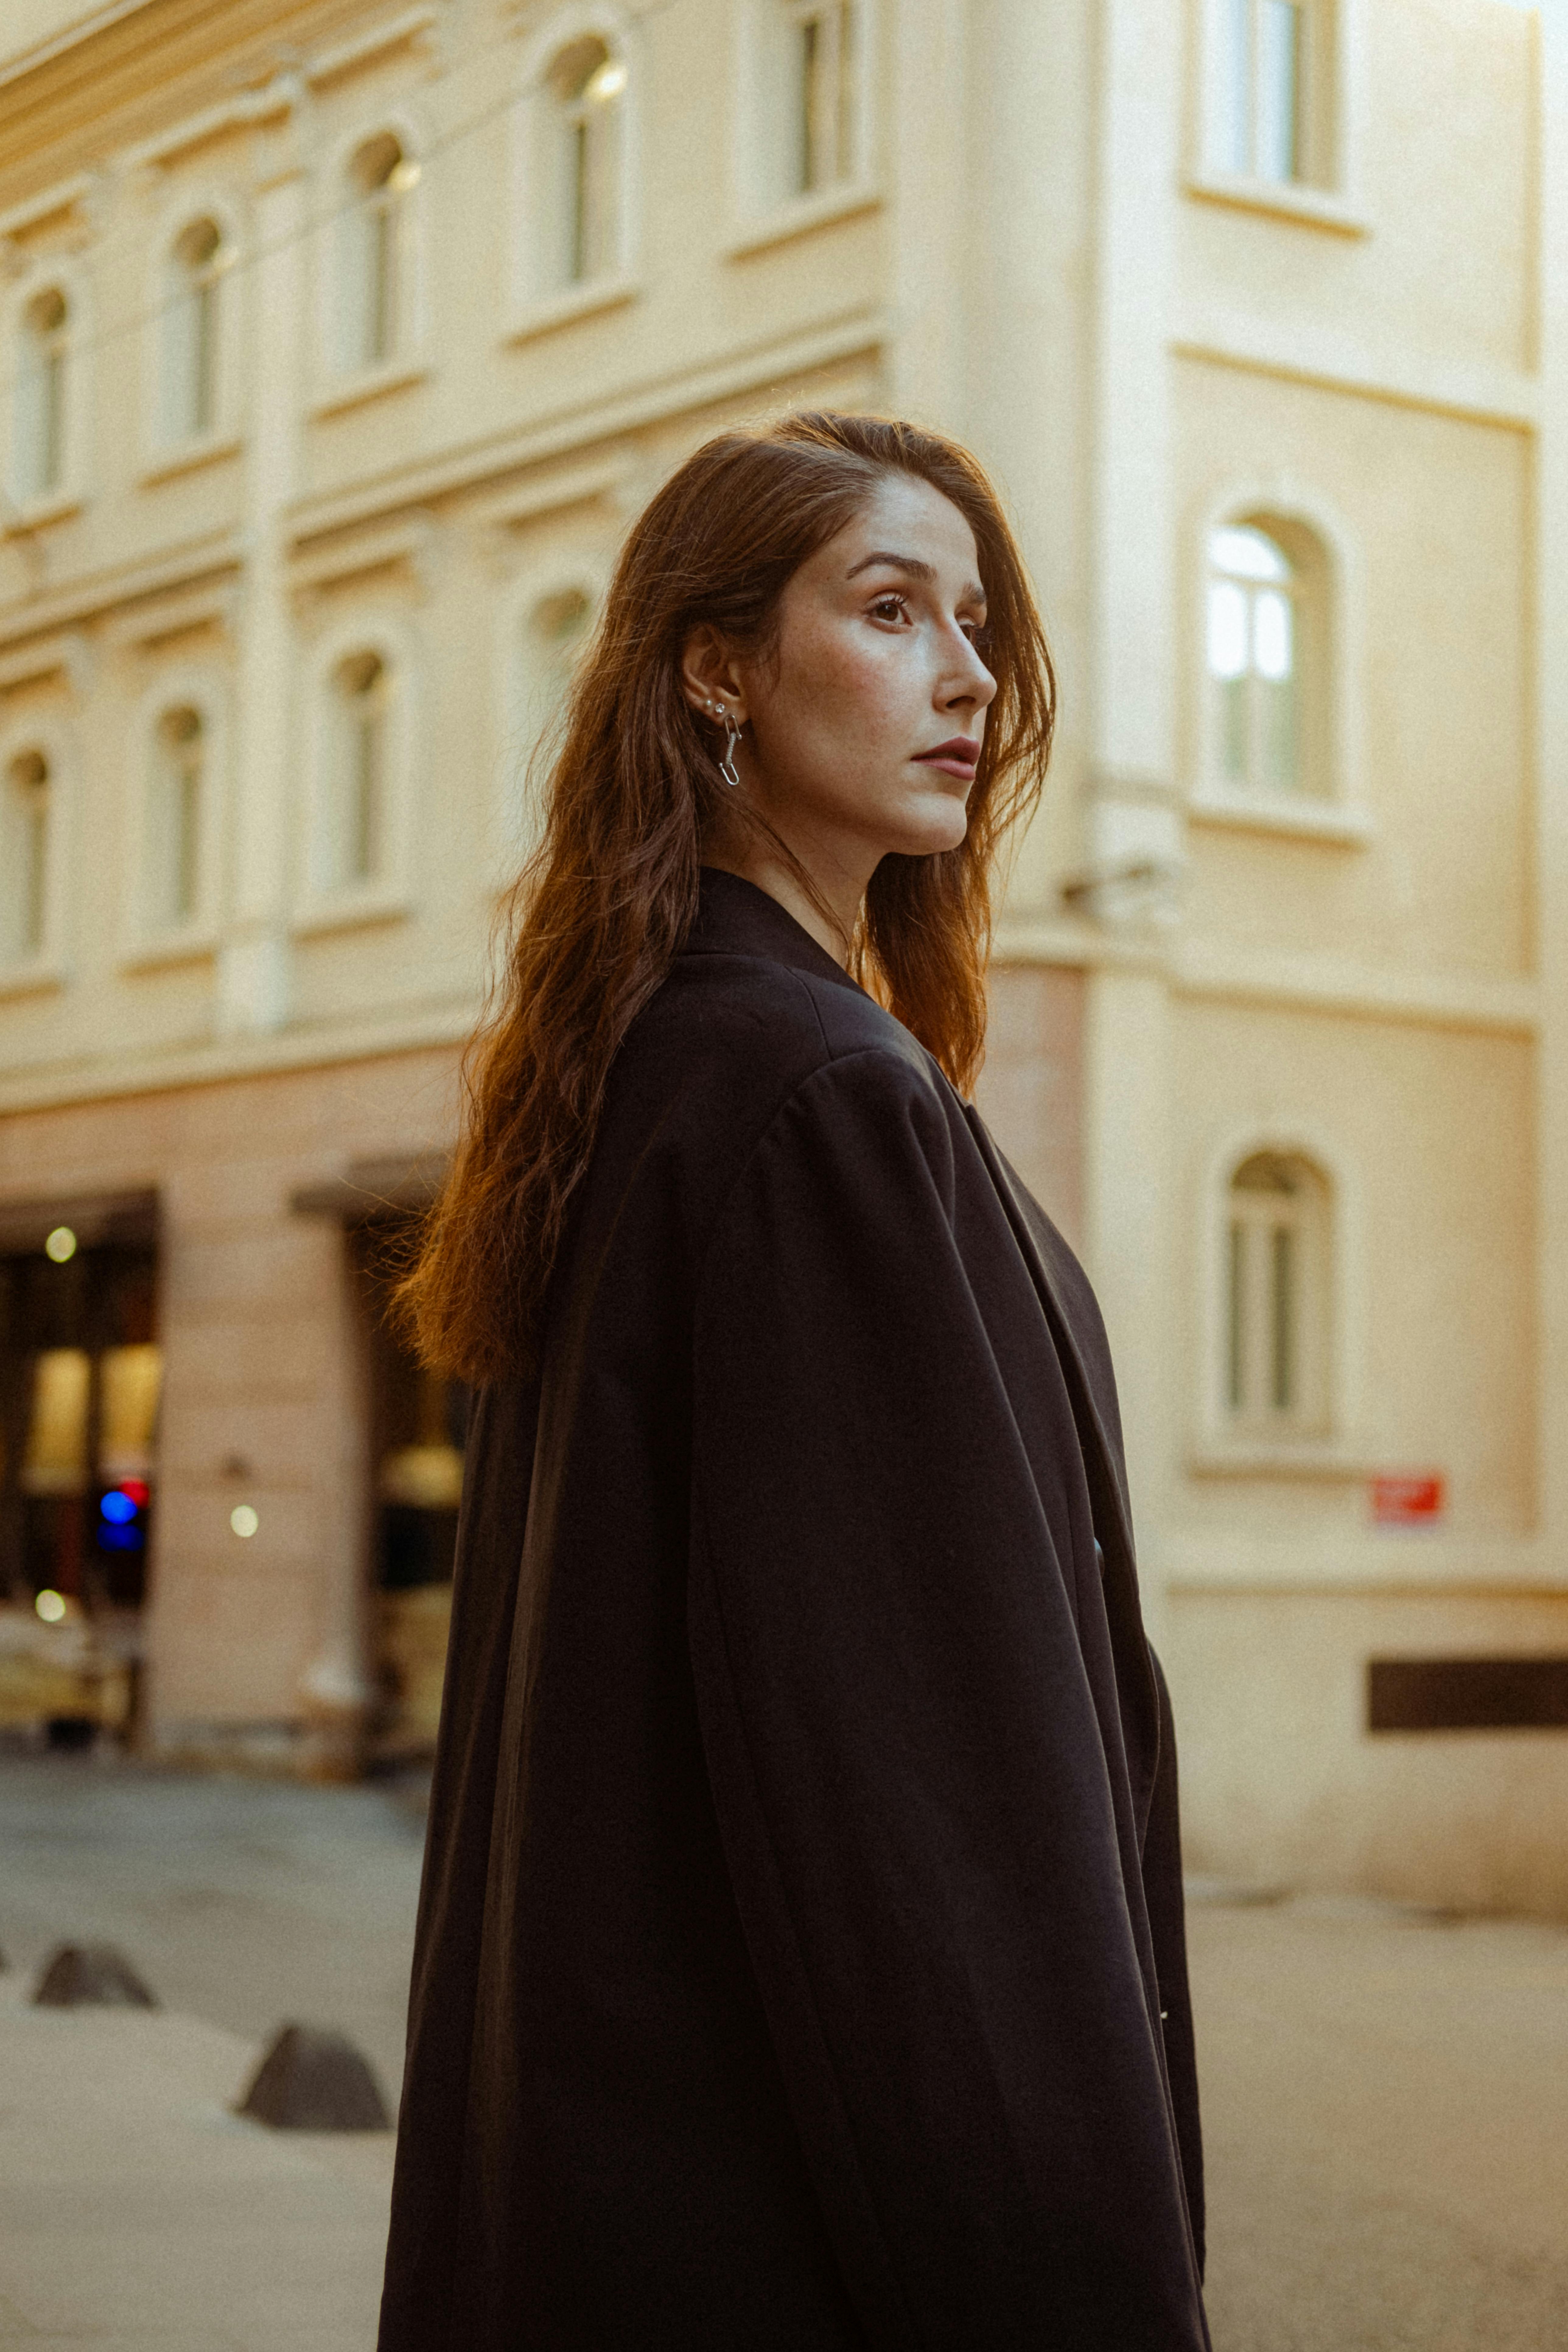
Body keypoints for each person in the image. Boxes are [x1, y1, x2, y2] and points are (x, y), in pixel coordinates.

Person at [376, 411, 1210, 2350]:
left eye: (978, 624)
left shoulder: (670, 1061)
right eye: (892, 609)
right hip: (786, 2242)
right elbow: (923, 1816)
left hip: (626, 2205)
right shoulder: (816, 1098)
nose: (969, 676)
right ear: (718, 668)